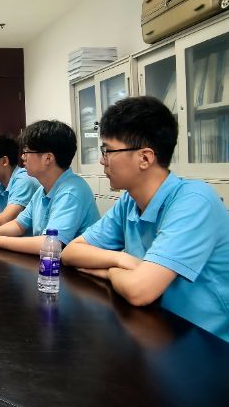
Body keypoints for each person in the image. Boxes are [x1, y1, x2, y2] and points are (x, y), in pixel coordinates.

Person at [61, 96, 229, 342]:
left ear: (145, 158)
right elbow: (70, 252)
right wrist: (121, 259)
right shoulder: (129, 201)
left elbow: (139, 291)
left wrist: (109, 272)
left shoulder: (195, 200)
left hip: (209, 344)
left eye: (108, 150)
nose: (101, 160)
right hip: (158, 328)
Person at [0, 120, 99, 255]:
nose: (23, 157)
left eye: (26, 152)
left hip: (72, 267)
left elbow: (50, 243)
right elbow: (19, 225)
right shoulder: (43, 190)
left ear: (48, 158)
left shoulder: (71, 191)